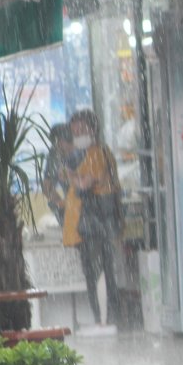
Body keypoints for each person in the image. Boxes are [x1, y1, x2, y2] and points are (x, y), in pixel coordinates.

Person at [63, 110, 122, 335]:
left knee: (97, 272)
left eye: (81, 130)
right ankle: (103, 319)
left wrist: (70, 174)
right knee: (97, 270)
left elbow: (83, 184)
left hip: (95, 224)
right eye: (74, 131)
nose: (77, 135)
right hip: (91, 224)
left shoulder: (96, 153)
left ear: (92, 129)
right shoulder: (87, 154)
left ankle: (103, 320)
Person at [41, 123, 78, 227]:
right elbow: (46, 186)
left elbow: (86, 187)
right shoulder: (55, 155)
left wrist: (70, 202)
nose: (56, 146)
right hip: (69, 210)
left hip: (88, 208)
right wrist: (59, 203)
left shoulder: (83, 154)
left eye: (58, 142)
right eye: (55, 143)